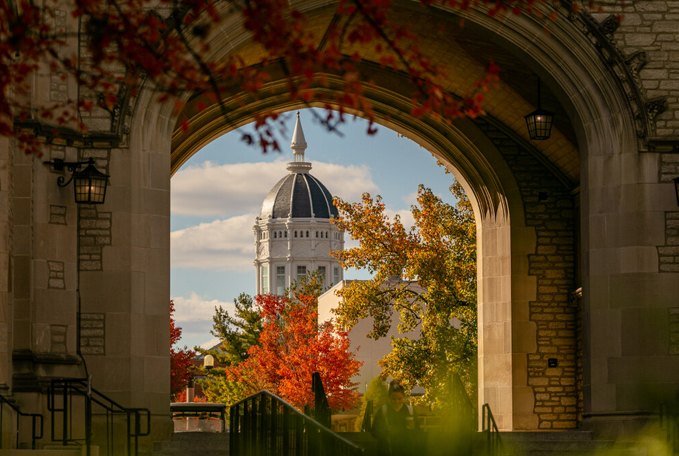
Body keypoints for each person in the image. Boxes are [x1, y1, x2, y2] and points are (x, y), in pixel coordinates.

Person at [371, 380, 423, 456]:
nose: (397, 402)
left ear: (403, 397)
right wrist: (387, 432)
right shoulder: (383, 411)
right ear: (389, 397)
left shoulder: (410, 411)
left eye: (399, 399)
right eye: (393, 399)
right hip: (388, 451)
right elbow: (374, 431)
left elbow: (418, 433)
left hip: (407, 451)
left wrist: (413, 428)